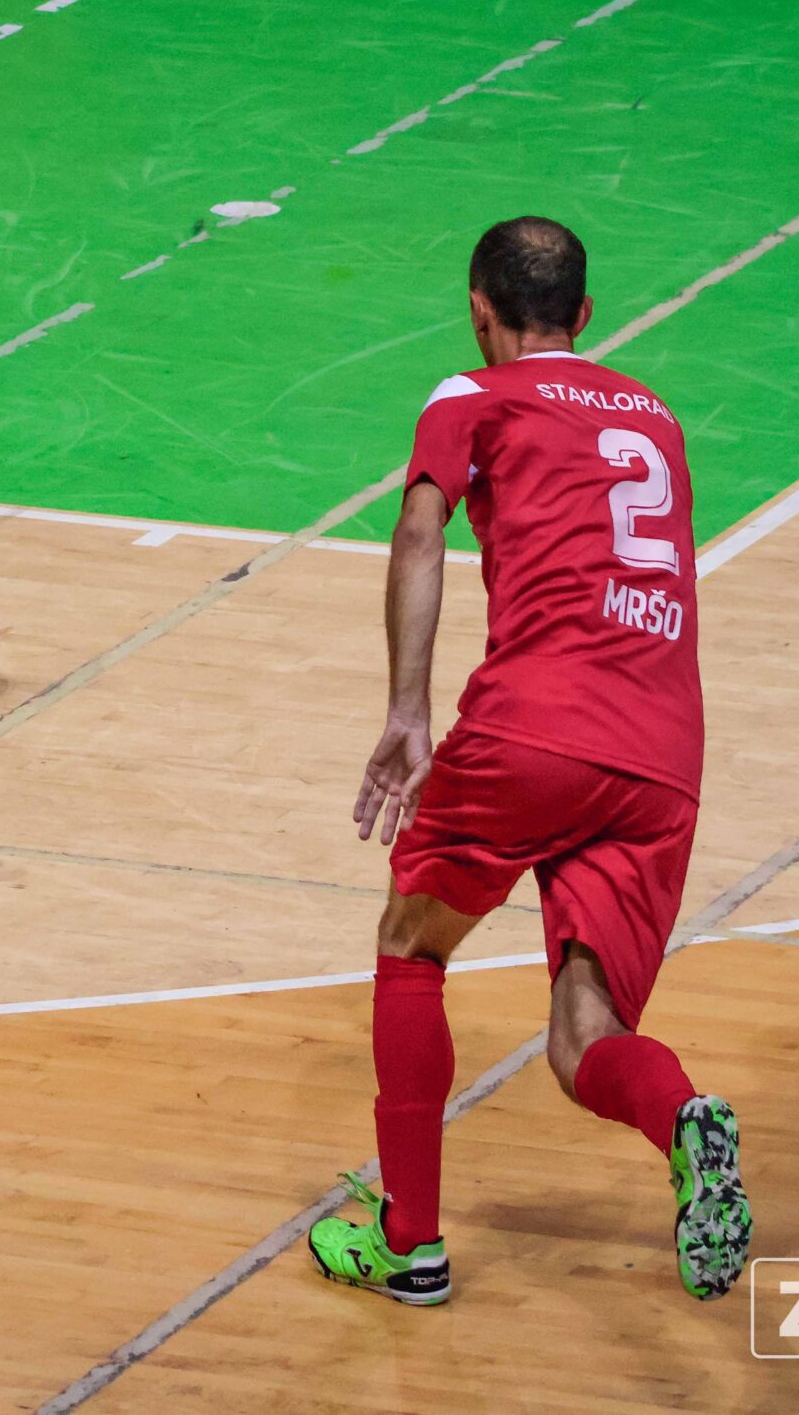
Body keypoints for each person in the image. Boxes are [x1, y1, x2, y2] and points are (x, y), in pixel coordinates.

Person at [306, 216, 751, 1306]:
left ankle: (409, 1243)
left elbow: (421, 534)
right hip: (661, 753)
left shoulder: (470, 394)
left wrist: (408, 709)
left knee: (411, 942)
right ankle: (682, 1117)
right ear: (584, 315)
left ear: (479, 310)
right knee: (583, 1035)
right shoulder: (655, 415)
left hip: (535, 727)